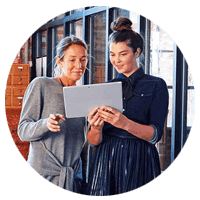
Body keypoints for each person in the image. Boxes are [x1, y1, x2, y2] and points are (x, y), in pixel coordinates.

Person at [86, 17, 169, 196]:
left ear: (137, 52)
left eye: (123, 54)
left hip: (140, 159)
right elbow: (93, 142)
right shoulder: (104, 88)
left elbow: (155, 135)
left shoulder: (156, 85)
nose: (116, 60)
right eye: (112, 54)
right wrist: (95, 128)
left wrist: (124, 123)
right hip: (105, 159)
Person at [18, 36, 88, 193]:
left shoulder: (83, 95)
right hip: (43, 174)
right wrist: (45, 124)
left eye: (83, 60)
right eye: (72, 60)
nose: (79, 65)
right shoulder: (41, 84)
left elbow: (82, 144)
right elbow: (23, 130)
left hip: (72, 181)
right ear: (60, 61)